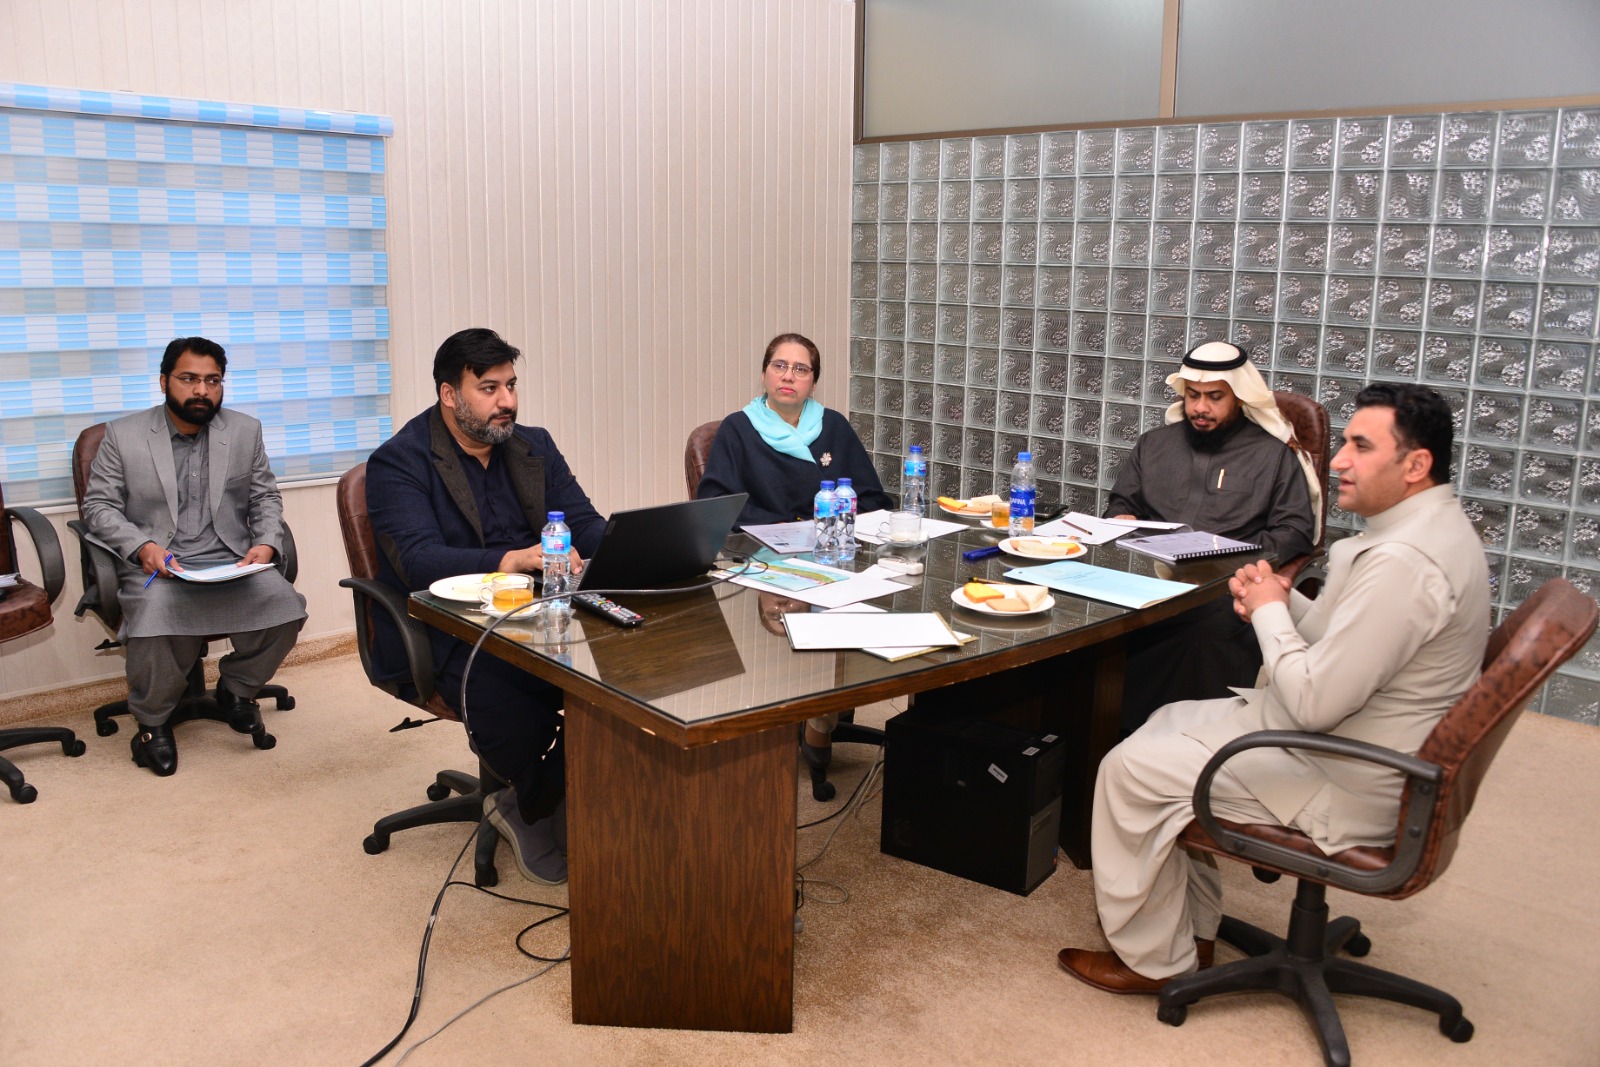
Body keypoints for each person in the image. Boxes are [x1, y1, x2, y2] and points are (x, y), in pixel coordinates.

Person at [1057, 383, 1490, 995]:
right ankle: (1193, 931)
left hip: (1348, 773)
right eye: (1345, 443)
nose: (1338, 460)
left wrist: (1267, 614)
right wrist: (1282, 600)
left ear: (1416, 464)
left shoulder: (1404, 563)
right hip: (1363, 741)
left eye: (1361, 447)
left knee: (1128, 771)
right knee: (1167, 719)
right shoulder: (1432, 529)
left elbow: (1314, 704)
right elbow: (1352, 638)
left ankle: (1154, 962)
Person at [365, 327, 605, 886]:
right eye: (490, 388)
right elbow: (418, 560)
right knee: (510, 684)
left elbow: (583, 522)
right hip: (446, 627)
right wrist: (510, 559)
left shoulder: (533, 446)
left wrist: (626, 546)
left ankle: (539, 794)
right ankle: (530, 802)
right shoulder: (399, 461)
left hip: (541, 614)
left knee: (620, 674)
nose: (507, 401)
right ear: (450, 395)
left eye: (511, 386)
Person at [81, 337, 307, 777]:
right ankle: (152, 722)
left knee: (286, 606)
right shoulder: (123, 435)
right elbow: (99, 507)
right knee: (156, 613)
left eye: (212, 380)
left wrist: (266, 541)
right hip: (157, 565)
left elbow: (264, 497)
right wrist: (143, 548)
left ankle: (236, 689)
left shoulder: (244, 430)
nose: (202, 390)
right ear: (164, 381)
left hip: (228, 559)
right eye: (189, 379)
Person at [696, 332, 892, 796]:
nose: (789, 376)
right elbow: (717, 505)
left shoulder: (834, 426)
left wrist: (834, 522)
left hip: (835, 559)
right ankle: (816, 719)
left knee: (863, 620)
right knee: (809, 630)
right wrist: (786, 530)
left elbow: (873, 498)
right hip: (767, 563)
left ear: (813, 381)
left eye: (801, 369)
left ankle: (824, 713)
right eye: (779, 366)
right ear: (765, 374)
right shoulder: (738, 429)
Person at [1105, 340, 1320, 733]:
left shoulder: (1272, 455)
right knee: (1094, 623)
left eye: (1215, 397)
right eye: (1193, 396)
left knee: (1204, 631)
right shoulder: (1154, 444)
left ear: (1238, 397)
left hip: (1222, 588)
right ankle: (1096, 732)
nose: (1200, 408)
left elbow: (1294, 530)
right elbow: (1121, 503)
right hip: (1148, 577)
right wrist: (1121, 517)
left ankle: (1185, 738)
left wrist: (1236, 559)